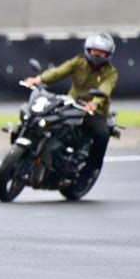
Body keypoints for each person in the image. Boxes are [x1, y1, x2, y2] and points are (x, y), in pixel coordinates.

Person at [25, 32, 118, 186]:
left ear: (108, 54)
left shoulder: (111, 72)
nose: (98, 54)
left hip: (94, 111)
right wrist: (39, 79)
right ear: (89, 49)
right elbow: (59, 71)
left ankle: (88, 172)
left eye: (102, 52)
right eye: (95, 50)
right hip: (72, 103)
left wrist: (95, 103)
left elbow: (106, 88)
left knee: (102, 134)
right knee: (46, 118)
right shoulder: (79, 61)